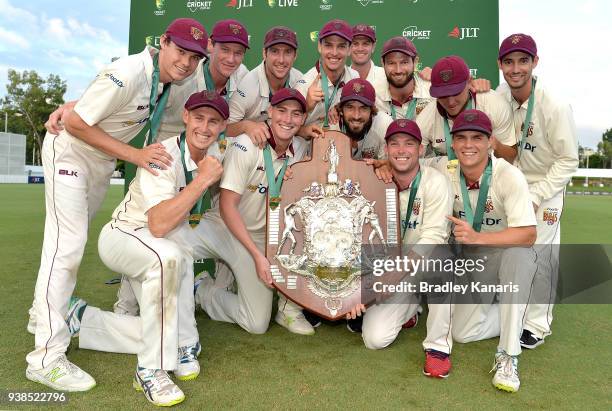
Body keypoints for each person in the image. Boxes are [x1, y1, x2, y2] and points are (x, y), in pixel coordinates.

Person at [25, 18, 208, 392]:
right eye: (181, 52)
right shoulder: (130, 70)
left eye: (194, 58)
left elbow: (92, 107)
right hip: (71, 155)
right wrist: (135, 155)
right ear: (164, 43)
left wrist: (80, 103)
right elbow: (76, 124)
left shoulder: (167, 81)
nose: (187, 63)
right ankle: (45, 358)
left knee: (68, 247)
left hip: (99, 163)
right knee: (66, 250)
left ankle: (43, 315)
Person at [66, 91, 227, 406]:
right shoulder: (163, 154)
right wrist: (202, 181)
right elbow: (158, 224)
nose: (205, 127)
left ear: (222, 126)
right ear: (186, 117)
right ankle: (151, 368)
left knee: (178, 254)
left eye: (214, 121)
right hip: (123, 236)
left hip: (154, 241)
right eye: (198, 118)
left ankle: (85, 319)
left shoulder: (217, 152)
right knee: (169, 255)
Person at [186, 88, 314, 336]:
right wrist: (258, 256)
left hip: (258, 238)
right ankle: (135, 303)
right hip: (222, 226)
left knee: (256, 324)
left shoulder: (300, 150)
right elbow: (226, 205)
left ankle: (202, 290)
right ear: (270, 112)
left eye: (296, 114)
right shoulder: (246, 144)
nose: (288, 119)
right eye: (282, 111)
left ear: (302, 119)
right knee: (164, 246)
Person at [426, 109, 537, 392]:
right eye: (461, 138)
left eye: (477, 137)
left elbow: (528, 234)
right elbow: (408, 163)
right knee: (462, 333)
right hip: (469, 264)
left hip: (501, 257)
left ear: (490, 142)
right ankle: (515, 309)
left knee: (519, 255)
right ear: (452, 142)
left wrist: (477, 237)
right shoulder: (445, 168)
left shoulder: (508, 176)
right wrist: (383, 164)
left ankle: (509, 356)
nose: (468, 145)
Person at [496, 34, 578, 349]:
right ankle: (510, 309)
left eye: (523, 61)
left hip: (547, 185)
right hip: (512, 184)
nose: (516, 69)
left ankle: (537, 324)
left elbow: (568, 159)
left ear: (535, 63)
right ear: (501, 65)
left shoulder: (553, 105)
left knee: (541, 254)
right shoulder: (501, 96)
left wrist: (538, 192)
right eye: (509, 62)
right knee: (511, 252)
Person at [357, 119, 453, 351]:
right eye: (395, 144)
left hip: (421, 264)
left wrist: (393, 276)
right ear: (386, 150)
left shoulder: (436, 182)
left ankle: (438, 347)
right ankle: (411, 304)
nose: (401, 150)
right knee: (374, 339)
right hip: (386, 265)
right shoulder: (374, 180)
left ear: (421, 149)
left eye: (409, 144)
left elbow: (433, 237)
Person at [417, 56, 517, 168]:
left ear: (469, 82)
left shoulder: (494, 104)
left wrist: (495, 145)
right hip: (449, 179)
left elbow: (511, 158)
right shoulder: (425, 118)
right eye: (443, 94)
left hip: (491, 178)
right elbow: (413, 162)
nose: (450, 102)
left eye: (456, 92)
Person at [295, 19, 359, 128]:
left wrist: (340, 107)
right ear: (320, 46)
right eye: (328, 45)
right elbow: (288, 126)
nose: (334, 53)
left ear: (349, 49)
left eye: (341, 46)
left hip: (340, 141)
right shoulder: (305, 84)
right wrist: (307, 105)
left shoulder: (354, 77)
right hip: (310, 143)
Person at [350, 24, 386, 93]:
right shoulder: (340, 78)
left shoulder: (385, 76)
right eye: (355, 43)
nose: (360, 49)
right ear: (348, 46)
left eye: (365, 44)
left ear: (373, 47)